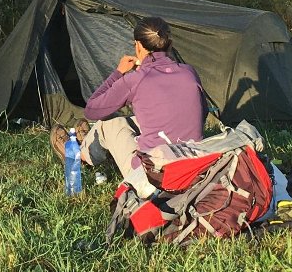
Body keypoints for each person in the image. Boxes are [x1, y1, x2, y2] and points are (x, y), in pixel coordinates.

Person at [75, 16, 206, 180]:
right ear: (170, 44)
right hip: (194, 167)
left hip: (153, 177)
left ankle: (81, 157)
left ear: (137, 46)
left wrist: (119, 72)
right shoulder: (189, 72)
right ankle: (89, 144)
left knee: (109, 124)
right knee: (139, 119)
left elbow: (92, 110)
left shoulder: (135, 79)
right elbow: (203, 113)